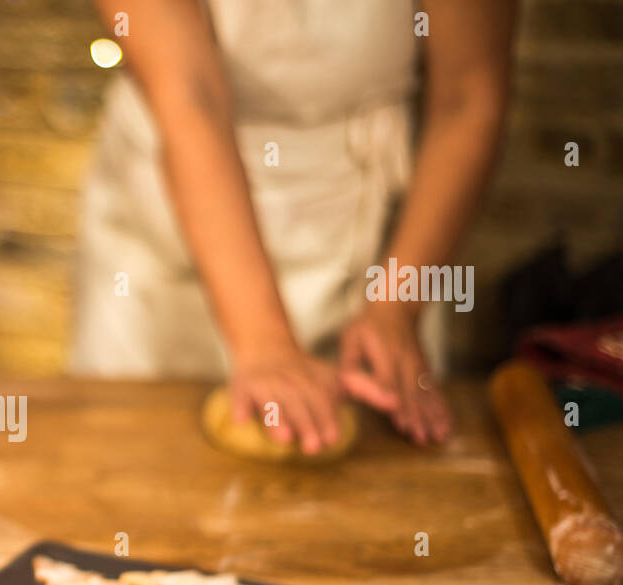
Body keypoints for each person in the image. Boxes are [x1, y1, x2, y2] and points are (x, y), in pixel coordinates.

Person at [73, 0, 515, 453]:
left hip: (374, 227)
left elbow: (468, 96)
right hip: (165, 238)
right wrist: (264, 341)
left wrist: (396, 306)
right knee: (134, 455)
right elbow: (190, 95)